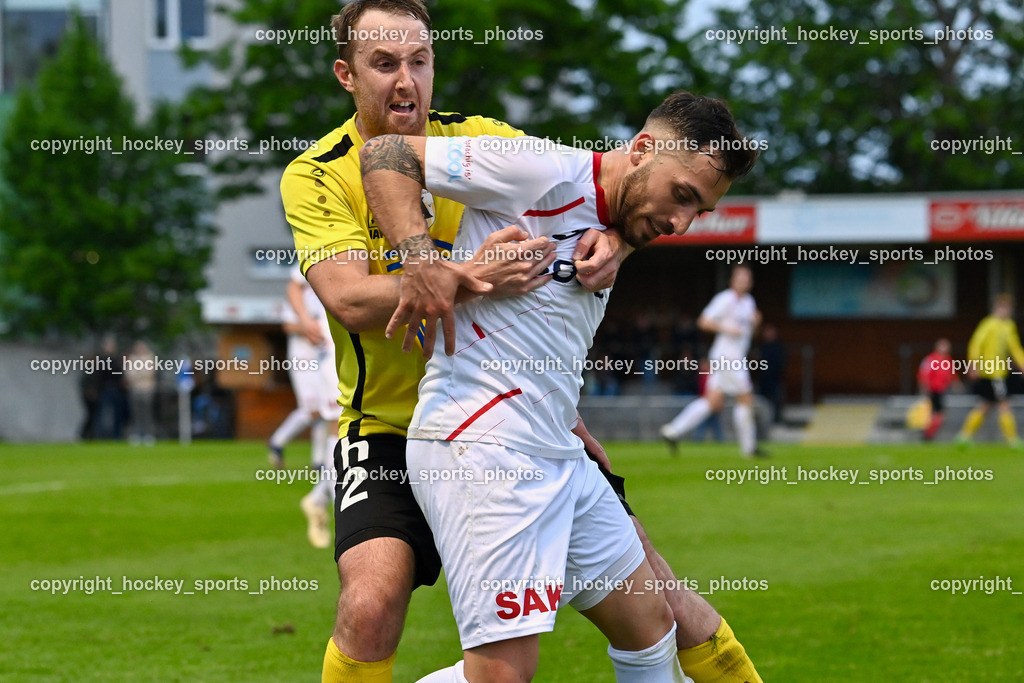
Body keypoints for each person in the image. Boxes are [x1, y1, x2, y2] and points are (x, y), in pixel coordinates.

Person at [284, 2, 758, 681]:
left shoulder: (482, 140)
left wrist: (620, 241)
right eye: (384, 63)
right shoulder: (317, 172)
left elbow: (592, 183)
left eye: (419, 61)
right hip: (417, 425)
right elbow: (350, 296)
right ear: (347, 73)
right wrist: (441, 271)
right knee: (373, 604)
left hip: (545, 433)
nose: (406, 80)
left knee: (663, 611)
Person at [660, 266, 765, 458]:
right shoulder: (725, 299)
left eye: (747, 278)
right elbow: (703, 321)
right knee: (745, 398)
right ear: (732, 280)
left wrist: (756, 324)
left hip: (732, 356)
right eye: (741, 277)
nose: (744, 281)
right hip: (728, 358)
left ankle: (673, 431)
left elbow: (750, 333)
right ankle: (749, 448)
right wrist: (726, 328)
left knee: (712, 401)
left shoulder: (749, 302)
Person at [955, 293, 1024, 448]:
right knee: (1003, 404)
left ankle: (964, 436)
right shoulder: (988, 324)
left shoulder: (1008, 326)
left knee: (985, 404)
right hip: (992, 372)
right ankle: (1012, 440)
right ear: (998, 307)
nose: (1007, 312)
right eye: (1005, 308)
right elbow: (976, 344)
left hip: (999, 372)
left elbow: (1015, 348)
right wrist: (973, 364)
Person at [917, 338, 957, 441]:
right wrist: (925, 387)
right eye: (943, 345)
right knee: (937, 414)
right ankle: (927, 434)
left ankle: (928, 434)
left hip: (942, 391)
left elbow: (951, 374)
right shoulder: (930, 359)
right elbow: (923, 373)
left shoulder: (948, 360)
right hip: (933, 390)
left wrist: (956, 384)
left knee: (938, 414)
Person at [124, 340, 158, 445]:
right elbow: (129, 374)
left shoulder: (150, 358)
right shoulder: (132, 359)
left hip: (147, 390)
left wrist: (139, 374)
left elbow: (149, 373)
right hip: (135, 390)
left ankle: (148, 434)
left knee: (147, 413)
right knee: (136, 413)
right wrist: (139, 374)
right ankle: (137, 434)